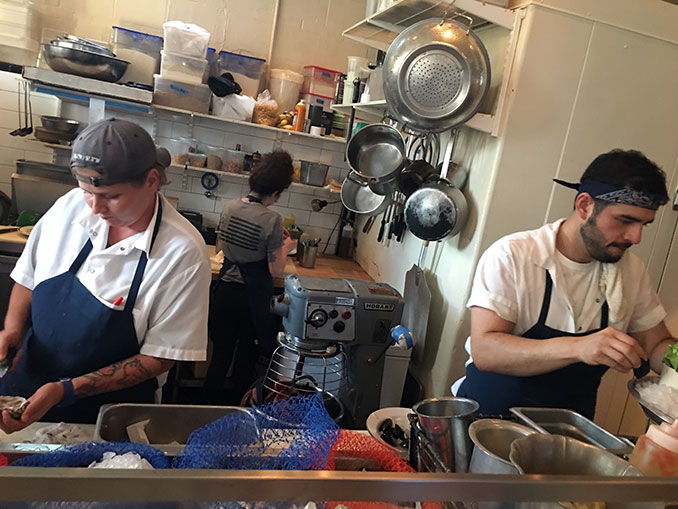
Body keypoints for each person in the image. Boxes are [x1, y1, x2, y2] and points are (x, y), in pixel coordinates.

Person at [0, 119, 211, 430]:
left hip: (106, 421)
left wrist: (66, 389)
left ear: (151, 181)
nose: (95, 207)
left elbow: (161, 356)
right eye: (87, 191)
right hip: (24, 388)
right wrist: (12, 330)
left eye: (111, 196)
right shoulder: (68, 208)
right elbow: (27, 278)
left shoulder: (182, 253)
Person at [456, 149, 677, 419]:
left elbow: (656, 345)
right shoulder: (514, 255)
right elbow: (486, 351)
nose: (635, 237)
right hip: (486, 423)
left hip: (566, 437)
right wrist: (579, 348)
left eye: (645, 224)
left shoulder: (631, 272)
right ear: (584, 205)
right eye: (625, 220)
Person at [204, 150, 296, 405]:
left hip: (223, 292)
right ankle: (239, 416)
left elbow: (223, 246)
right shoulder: (272, 219)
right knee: (245, 360)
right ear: (277, 190)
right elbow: (275, 270)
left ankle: (204, 411)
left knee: (219, 357)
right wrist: (286, 246)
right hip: (251, 299)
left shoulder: (230, 206)